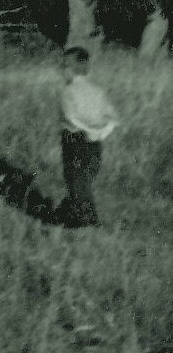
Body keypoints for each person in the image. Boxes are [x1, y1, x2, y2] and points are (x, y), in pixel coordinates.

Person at [57, 46, 119, 228]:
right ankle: (75, 213)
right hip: (95, 143)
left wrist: (86, 130)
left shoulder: (67, 92)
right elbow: (113, 118)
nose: (62, 72)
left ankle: (88, 221)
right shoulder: (98, 91)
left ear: (69, 69)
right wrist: (100, 132)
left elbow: (71, 118)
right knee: (84, 180)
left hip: (74, 140)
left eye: (64, 67)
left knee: (76, 179)